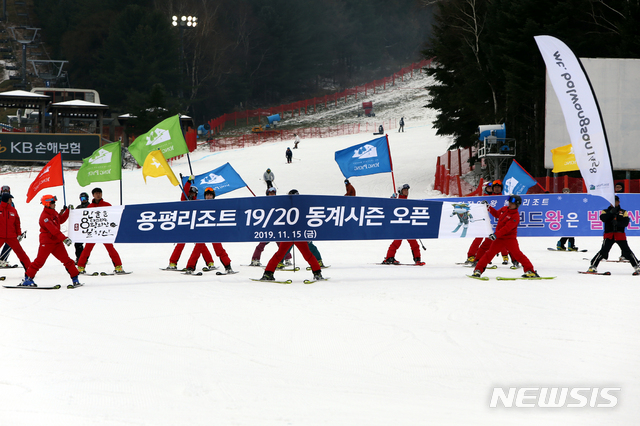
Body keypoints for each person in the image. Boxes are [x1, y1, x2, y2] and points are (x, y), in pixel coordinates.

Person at [471, 195, 539, 278]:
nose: (509, 204)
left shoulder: (515, 216)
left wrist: (495, 235)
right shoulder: (504, 209)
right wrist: (488, 207)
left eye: (512, 203)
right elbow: (496, 214)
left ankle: (530, 270)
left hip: (509, 239)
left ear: (517, 205)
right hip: (499, 239)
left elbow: (506, 229)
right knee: (489, 254)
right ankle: (478, 270)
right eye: (509, 202)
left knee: (518, 255)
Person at [21, 195, 80, 287]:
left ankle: (75, 278)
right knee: (39, 262)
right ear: (47, 204)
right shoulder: (45, 216)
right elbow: (53, 230)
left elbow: (60, 220)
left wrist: (68, 211)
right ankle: (28, 278)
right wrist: (64, 239)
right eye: (52, 203)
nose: (54, 204)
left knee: (67, 260)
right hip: (47, 243)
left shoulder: (53, 213)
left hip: (57, 242)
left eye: (54, 202)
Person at [184, 187, 234, 274]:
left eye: (210, 195)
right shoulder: (201, 203)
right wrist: (191, 199)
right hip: (203, 230)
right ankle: (190, 267)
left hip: (214, 230)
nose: (209, 197)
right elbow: (193, 203)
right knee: (197, 249)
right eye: (207, 195)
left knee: (219, 249)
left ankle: (228, 266)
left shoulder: (217, 204)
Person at [77, 188, 125, 274]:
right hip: (93, 232)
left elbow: (113, 216)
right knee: (86, 250)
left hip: (105, 232)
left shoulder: (107, 205)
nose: (98, 195)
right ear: (93, 195)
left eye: (99, 193)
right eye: (96, 193)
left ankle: (118, 267)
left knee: (111, 249)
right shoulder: (90, 206)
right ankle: (80, 267)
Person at [588, 196, 640, 275]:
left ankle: (637, 266)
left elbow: (626, 223)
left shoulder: (623, 212)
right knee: (603, 251)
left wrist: (618, 223)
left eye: (615, 202)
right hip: (609, 235)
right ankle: (593, 265)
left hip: (620, 235)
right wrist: (611, 212)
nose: (614, 203)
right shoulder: (605, 211)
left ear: (618, 202)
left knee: (627, 252)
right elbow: (603, 218)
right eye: (612, 202)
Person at [250, 187, 293, 267]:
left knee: (282, 244)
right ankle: (255, 259)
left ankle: (286, 259)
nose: (272, 194)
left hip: (276, 227)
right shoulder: (263, 202)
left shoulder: (278, 201)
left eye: (273, 193)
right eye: (270, 193)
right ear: (267, 193)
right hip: (267, 228)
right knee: (261, 244)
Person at [382, 184, 424, 265]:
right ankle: (389, 257)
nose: (406, 192)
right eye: (405, 190)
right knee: (397, 242)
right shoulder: (396, 201)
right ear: (400, 191)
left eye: (407, 190)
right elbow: (389, 208)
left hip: (407, 226)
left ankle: (417, 259)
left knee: (414, 243)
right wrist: (392, 199)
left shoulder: (408, 202)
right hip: (399, 226)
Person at [166, 178, 198, 269]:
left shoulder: (198, 202)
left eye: (193, 193)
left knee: (200, 246)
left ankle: (210, 262)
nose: (191, 195)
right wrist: (188, 182)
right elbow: (184, 192)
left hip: (194, 227)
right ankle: (172, 263)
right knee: (180, 245)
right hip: (184, 227)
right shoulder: (185, 201)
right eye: (190, 193)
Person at [0, 192, 31, 273]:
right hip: (0, 236)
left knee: (21, 253)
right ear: (6, 200)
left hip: (12, 237)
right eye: (10, 199)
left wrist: (19, 234)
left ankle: (30, 271)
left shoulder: (13, 210)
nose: (11, 201)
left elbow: (17, 223)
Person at [0, 185, 16, 266]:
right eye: (3, 192)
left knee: (9, 244)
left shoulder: (11, 203)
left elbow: (14, 216)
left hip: (8, 229)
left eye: (6, 192)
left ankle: (3, 259)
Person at [73, 192, 90, 263]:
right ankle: (79, 258)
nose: (83, 200)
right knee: (78, 244)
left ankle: (84, 258)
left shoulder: (91, 206)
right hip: (81, 228)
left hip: (89, 228)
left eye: (85, 198)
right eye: (82, 198)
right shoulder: (78, 207)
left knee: (89, 245)